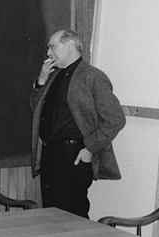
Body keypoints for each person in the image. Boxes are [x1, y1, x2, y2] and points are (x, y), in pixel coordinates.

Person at [30, 29, 125, 218]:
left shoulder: (93, 76)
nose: (48, 52)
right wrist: (41, 81)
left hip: (73, 156)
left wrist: (90, 148)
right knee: (52, 217)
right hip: (50, 155)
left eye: (52, 46)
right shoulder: (54, 76)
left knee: (73, 217)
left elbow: (115, 119)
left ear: (70, 45)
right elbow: (36, 111)